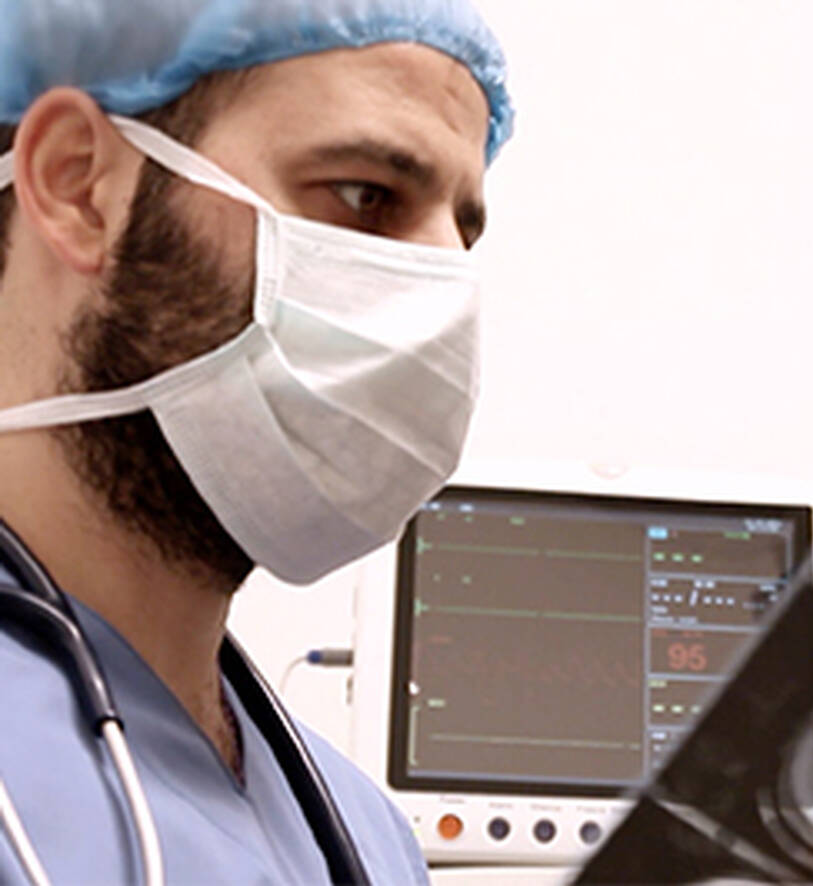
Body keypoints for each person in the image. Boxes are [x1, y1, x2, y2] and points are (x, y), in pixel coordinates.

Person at [0, 0, 514, 882]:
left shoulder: (361, 834)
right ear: (78, 183)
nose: (442, 286)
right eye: (367, 197)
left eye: (461, 231)